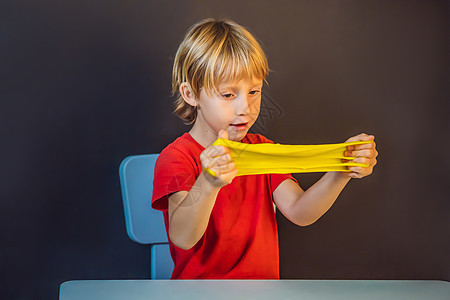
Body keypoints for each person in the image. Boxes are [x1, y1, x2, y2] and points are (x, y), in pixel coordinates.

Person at [151, 18, 378, 280]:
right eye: (228, 95)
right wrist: (209, 183)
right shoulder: (177, 157)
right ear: (190, 94)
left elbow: (300, 212)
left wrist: (340, 173)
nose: (244, 108)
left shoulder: (262, 150)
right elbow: (182, 237)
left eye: (254, 92)